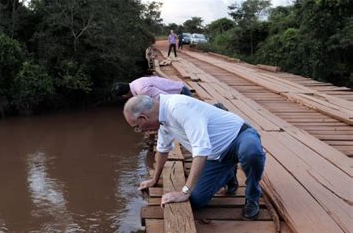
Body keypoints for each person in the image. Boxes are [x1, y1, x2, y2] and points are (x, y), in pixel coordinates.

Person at [123, 94, 266, 220]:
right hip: (215, 156)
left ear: (143, 118)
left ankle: (252, 195)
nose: (140, 131)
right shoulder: (163, 120)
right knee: (197, 200)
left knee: (251, 152)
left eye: (137, 127)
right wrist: (154, 179)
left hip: (238, 136)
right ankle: (229, 173)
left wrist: (185, 191)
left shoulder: (178, 108)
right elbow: (162, 150)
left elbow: (201, 150)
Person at [112, 76, 192, 100]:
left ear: (124, 95)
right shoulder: (135, 83)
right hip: (179, 91)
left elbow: (166, 100)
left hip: (182, 94)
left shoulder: (142, 90)